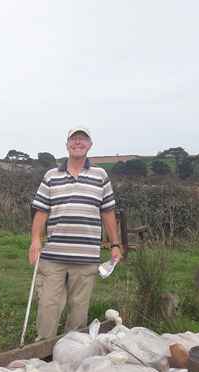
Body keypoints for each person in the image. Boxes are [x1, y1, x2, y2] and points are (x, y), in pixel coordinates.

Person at [29, 126, 122, 340]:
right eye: (74, 139)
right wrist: (35, 240)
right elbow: (41, 211)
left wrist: (115, 243)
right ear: (67, 144)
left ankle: (70, 353)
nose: (78, 142)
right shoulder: (51, 176)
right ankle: (43, 354)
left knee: (78, 313)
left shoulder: (101, 175)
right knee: (48, 307)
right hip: (53, 257)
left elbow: (108, 212)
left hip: (86, 258)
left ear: (90, 145)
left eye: (83, 139)